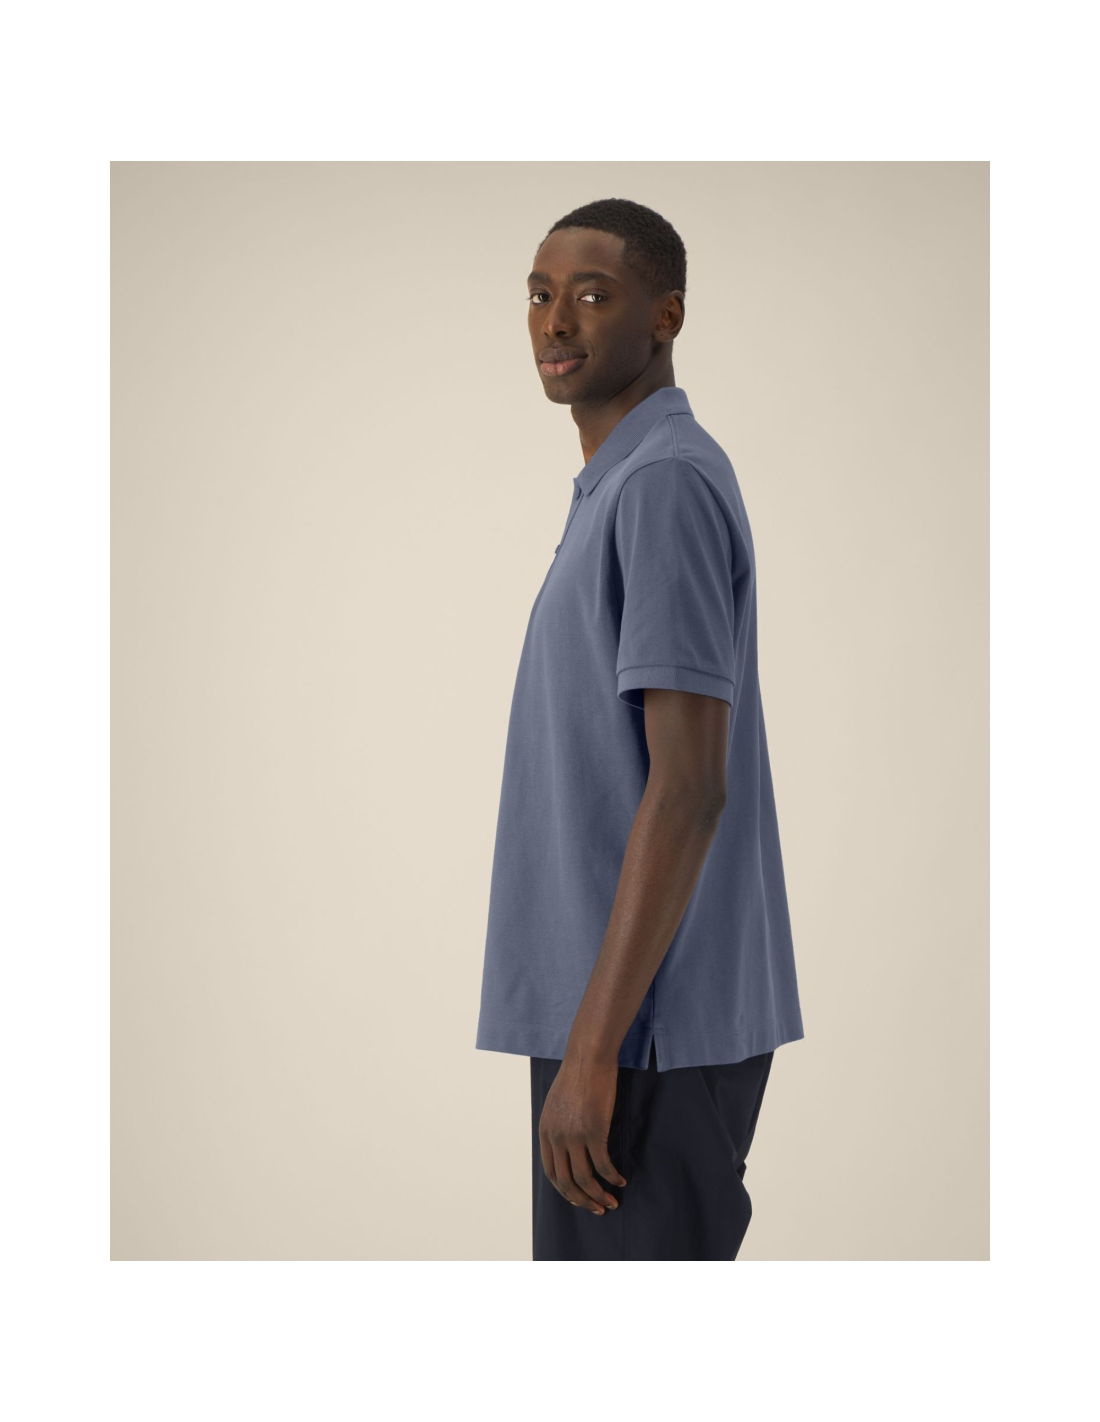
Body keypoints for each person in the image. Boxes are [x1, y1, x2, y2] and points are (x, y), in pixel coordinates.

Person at [475, 197, 805, 1261]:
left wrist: (591, 1050)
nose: (555, 320)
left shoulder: (660, 484)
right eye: (539, 295)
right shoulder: (619, 482)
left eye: (591, 294)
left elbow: (690, 786)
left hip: (641, 1035)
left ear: (665, 315)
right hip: (616, 1020)